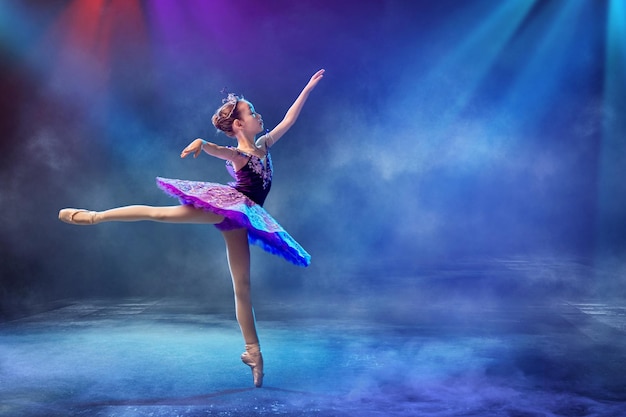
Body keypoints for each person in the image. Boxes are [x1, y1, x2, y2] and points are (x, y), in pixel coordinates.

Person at [58, 69, 325, 388]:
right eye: (251, 112)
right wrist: (202, 143)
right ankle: (94, 216)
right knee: (160, 214)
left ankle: (253, 353)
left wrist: (306, 88)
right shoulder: (240, 155)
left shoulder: (264, 145)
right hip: (229, 206)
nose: (258, 114)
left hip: (243, 216)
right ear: (239, 125)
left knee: (242, 286)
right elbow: (218, 150)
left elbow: (289, 120)